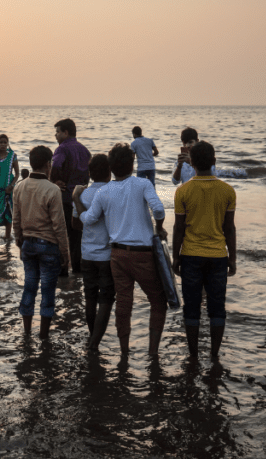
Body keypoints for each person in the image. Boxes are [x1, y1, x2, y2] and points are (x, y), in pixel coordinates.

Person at [78, 145, 168, 357]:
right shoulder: (142, 183)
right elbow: (159, 209)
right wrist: (160, 227)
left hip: (117, 255)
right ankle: (152, 352)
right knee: (157, 300)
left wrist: (76, 200)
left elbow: (89, 219)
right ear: (133, 163)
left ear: (111, 167)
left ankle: (125, 352)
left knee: (124, 303)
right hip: (143, 254)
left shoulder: (103, 191)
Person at [172, 141, 236, 361]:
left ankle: (193, 355)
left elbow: (179, 227)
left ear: (192, 163)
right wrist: (233, 258)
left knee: (192, 307)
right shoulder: (227, 190)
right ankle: (215, 355)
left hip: (190, 255)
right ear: (214, 161)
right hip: (218, 256)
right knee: (217, 308)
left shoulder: (183, 190)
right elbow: (229, 228)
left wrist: (175, 257)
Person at [13, 145, 71, 339]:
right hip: (48, 245)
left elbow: (16, 219)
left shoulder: (20, 186)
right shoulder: (53, 190)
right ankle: (43, 336)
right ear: (48, 165)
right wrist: (65, 253)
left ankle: (27, 332)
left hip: (28, 243)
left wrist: (19, 240)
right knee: (47, 291)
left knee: (29, 286)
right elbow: (59, 226)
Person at [70, 154, 113, 352]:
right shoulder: (112, 192)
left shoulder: (84, 195)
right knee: (105, 298)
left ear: (90, 173)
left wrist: (76, 200)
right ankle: (94, 342)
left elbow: (76, 224)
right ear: (109, 173)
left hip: (87, 253)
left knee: (90, 296)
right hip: (106, 255)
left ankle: (92, 336)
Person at [50, 118, 90, 275]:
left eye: (58, 132)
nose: (56, 135)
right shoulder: (84, 150)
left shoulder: (62, 149)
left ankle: (64, 271)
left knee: (62, 234)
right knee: (77, 235)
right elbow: (88, 174)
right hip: (81, 197)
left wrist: (54, 181)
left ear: (65, 133)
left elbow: (55, 166)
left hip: (65, 197)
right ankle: (78, 269)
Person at [0, 134, 19, 241]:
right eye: (0, 142)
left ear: (7, 144)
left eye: (5, 142)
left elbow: (17, 174)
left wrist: (11, 186)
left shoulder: (12, 156)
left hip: (9, 190)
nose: (3, 144)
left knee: (9, 213)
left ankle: (7, 237)